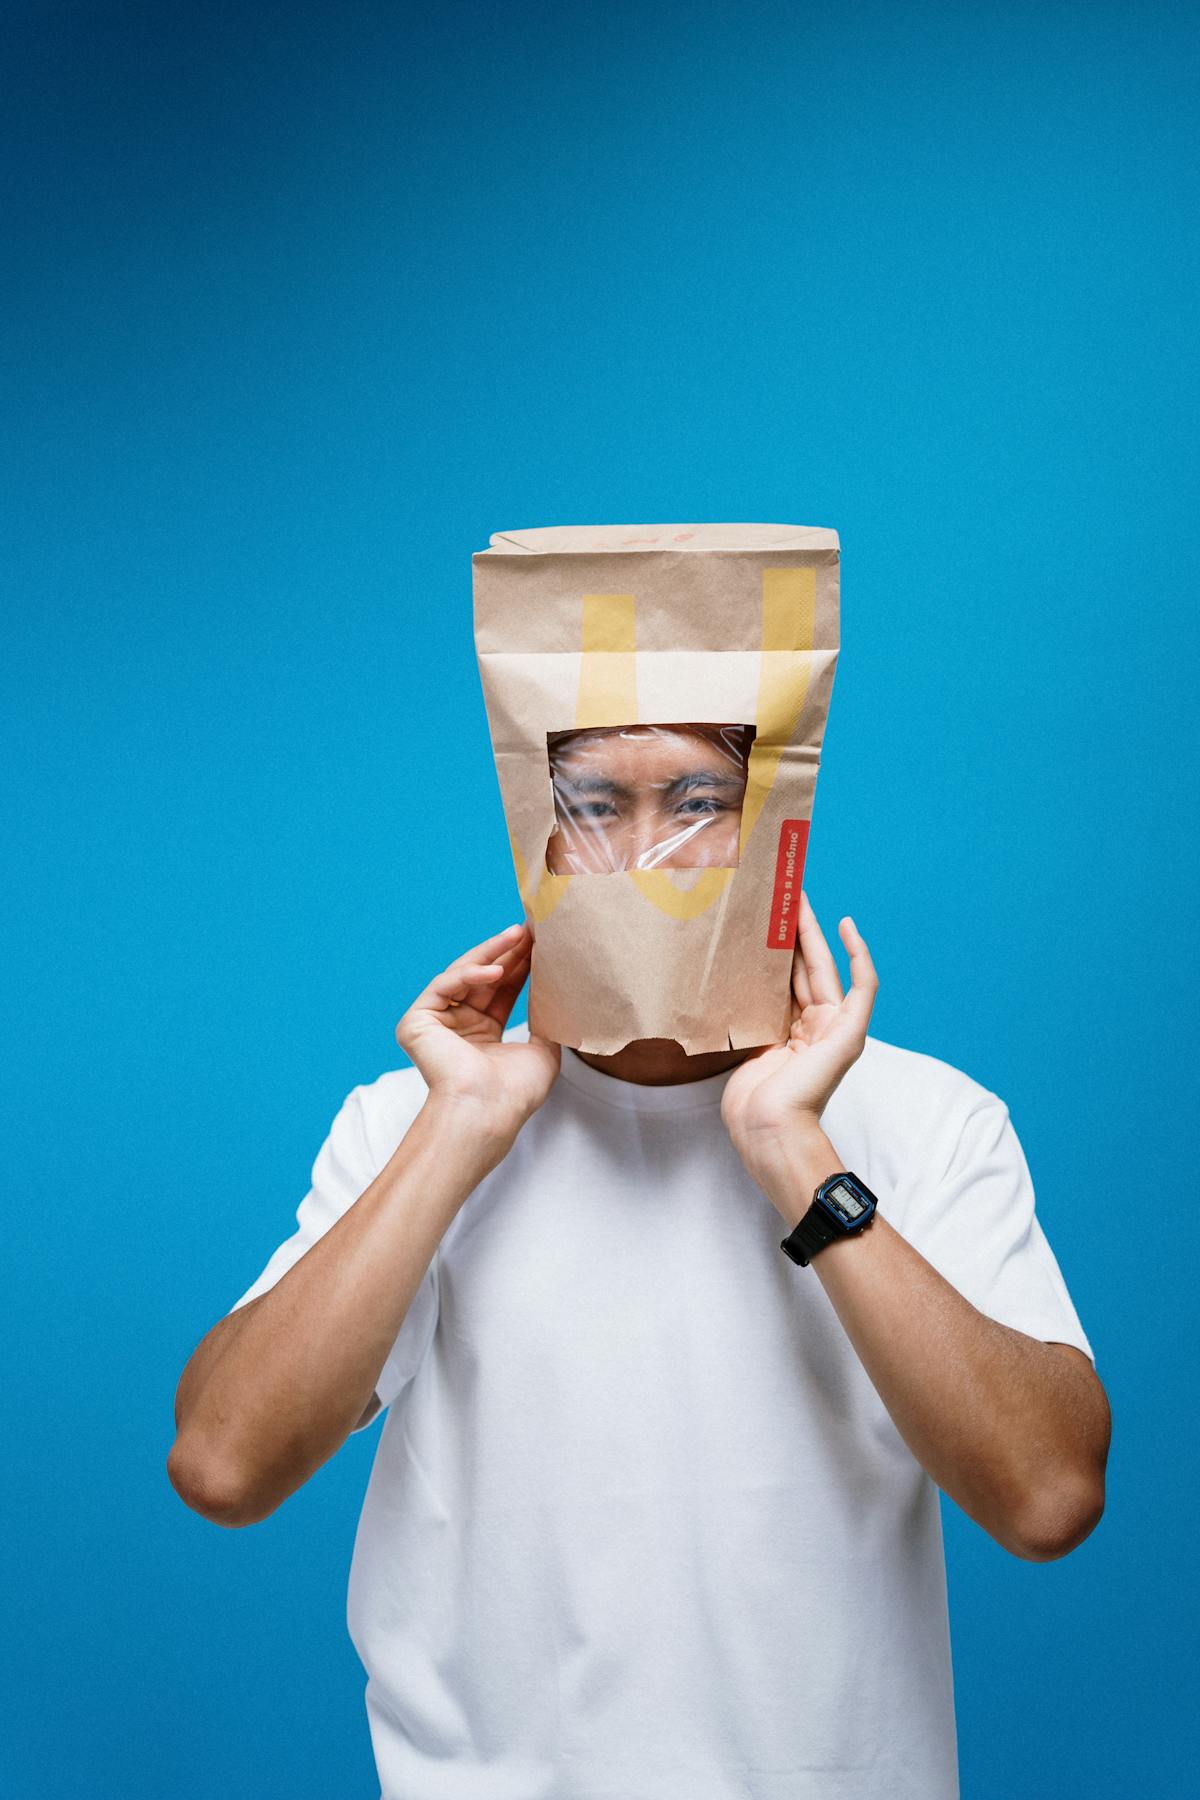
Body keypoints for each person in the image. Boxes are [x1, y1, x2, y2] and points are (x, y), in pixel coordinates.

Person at [168, 724, 1110, 1800]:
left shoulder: (925, 1116)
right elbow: (223, 1464)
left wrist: (796, 1151)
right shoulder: (411, 1124)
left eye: (701, 803)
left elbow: (1048, 1498)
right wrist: (458, 1130)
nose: (647, 852)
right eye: (597, 808)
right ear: (540, 837)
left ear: (774, 837)